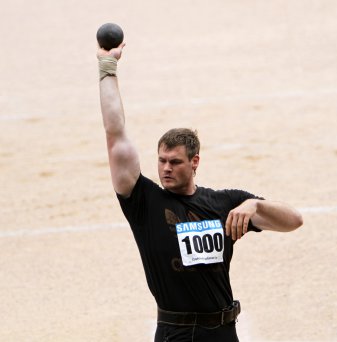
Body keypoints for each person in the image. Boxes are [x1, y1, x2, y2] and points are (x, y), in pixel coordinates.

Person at [97, 43, 303, 342]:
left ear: (195, 162)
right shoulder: (145, 202)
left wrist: (254, 206)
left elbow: (294, 220)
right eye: (162, 161)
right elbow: (115, 134)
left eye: (175, 162)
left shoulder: (224, 203)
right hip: (175, 333)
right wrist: (107, 68)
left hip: (222, 332)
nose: (166, 168)